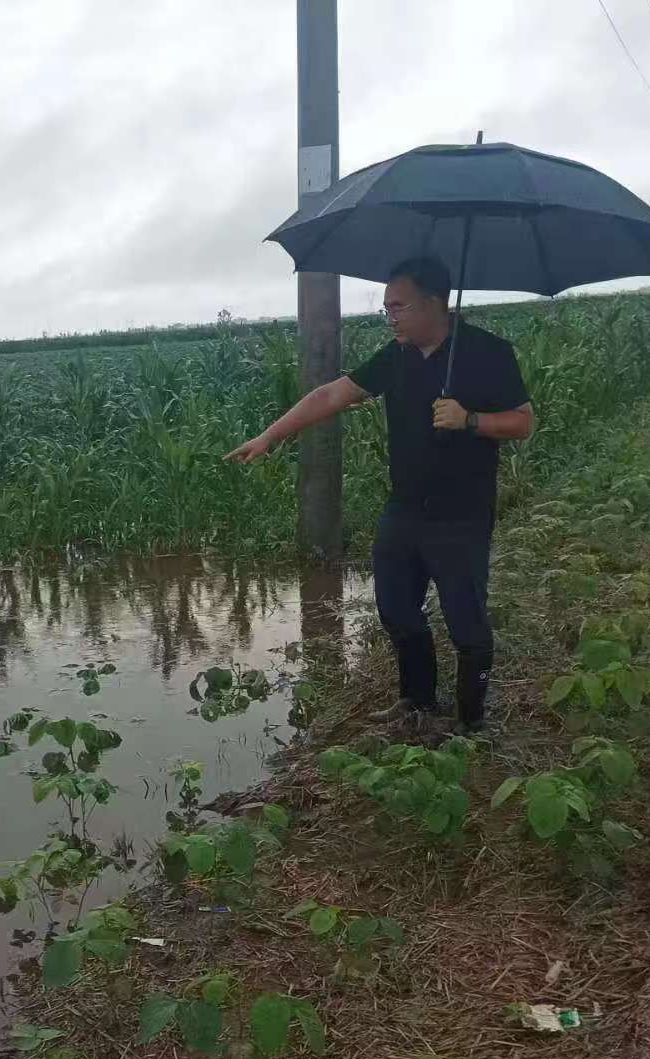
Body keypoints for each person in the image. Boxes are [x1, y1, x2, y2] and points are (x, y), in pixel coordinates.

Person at [224, 257, 535, 734]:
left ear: (434, 302)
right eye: (387, 307)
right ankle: (417, 701)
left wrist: (470, 420)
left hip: (462, 515)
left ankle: (471, 723)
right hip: (405, 508)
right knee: (396, 610)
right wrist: (270, 436)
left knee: (466, 624)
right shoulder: (397, 355)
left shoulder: (488, 352)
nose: (390, 316)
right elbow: (332, 395)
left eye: (398, 306)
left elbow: (523, 422)